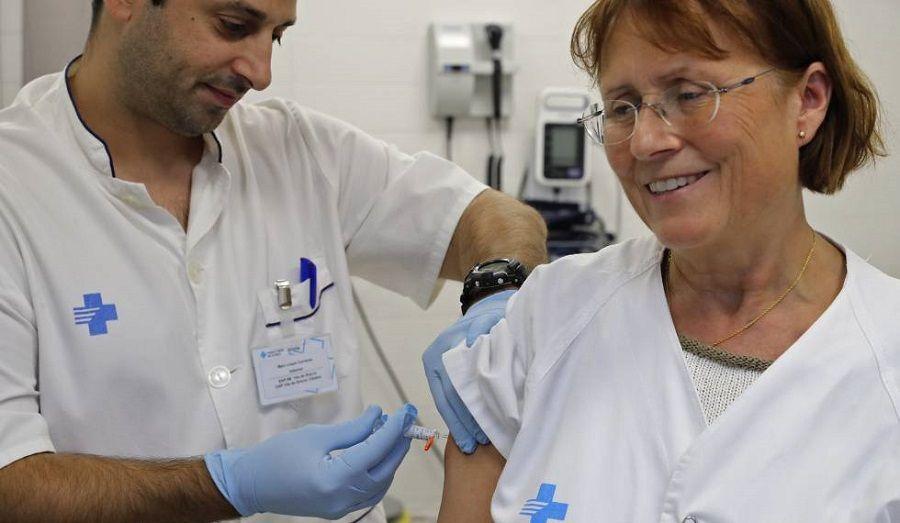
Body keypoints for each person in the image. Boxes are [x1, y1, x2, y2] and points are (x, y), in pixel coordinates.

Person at [0, 0, 547, 521]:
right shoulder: (16, 187)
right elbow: (12, 485)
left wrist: (498, 290)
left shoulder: (299, 150)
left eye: (277, 36)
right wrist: (229, 484)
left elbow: (496, 216)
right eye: (235, 25)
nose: (261, 73)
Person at [435, 0, 900, 521]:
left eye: (690, 94)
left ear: (808, 101)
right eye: (622, 107)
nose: (646, 141)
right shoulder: (545, 318)